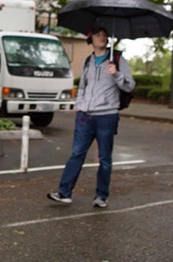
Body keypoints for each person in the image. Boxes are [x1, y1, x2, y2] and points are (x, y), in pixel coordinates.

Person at [47, 25, 135, 209]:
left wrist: (116, 74)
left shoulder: (117, 59)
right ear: (91, 39)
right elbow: (83, 87)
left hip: (106, 116)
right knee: (76, 153)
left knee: (104, 158)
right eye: (98, 34)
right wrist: (79, 106)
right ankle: (64, 193)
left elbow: (129, 86)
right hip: (84, 116)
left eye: (104, 34)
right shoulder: (88, 61)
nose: (102, 37)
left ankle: (101, 196)